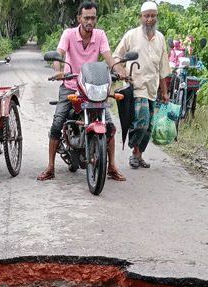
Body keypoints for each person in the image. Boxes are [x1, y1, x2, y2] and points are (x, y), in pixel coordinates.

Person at [37, 1, 127, 182]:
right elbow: (59, 53)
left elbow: (108, 57)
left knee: (109, 125)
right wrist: (57, 71)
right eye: (86, 18)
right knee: (57, 123)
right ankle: (50, 167)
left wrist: (121, 71)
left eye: (93, 18)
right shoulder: (69, 34)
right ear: (79, 18)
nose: (90, 21)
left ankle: (111, 166)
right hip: (70, 85)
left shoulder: (100, 35)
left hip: (92, 87)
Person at [114, 1, 171, 169]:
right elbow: (117, 56)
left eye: (153, 16)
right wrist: (122, 72)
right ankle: (133, 150)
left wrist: (165, 92)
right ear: (140, 17)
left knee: (149, 127)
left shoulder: (160, 38)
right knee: (142, 121)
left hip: (153, 88)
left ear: (157, 17)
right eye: (146, 16)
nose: (150, 19)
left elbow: (162, 69)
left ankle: (139, 155)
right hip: (136, 86)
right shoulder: (131, 35)